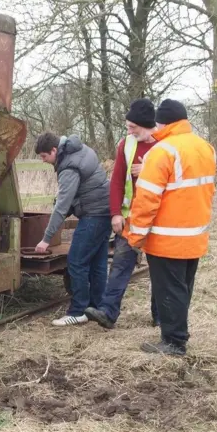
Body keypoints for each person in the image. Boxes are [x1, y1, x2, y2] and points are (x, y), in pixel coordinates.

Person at [125, 99, 216, 356]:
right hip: (195, 236)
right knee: (183, 288)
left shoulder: (162, 151)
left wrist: (136, 236)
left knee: (169, 289)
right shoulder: (205, 147)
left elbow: (147, 199)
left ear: (162, 123)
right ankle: (179, 333)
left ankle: (173, 342)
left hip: (167, 239)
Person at [85, 99, 161, 329]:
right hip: (131, 219)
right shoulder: (126, 145)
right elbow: (117, 181)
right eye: (127, 127)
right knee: (119, 264)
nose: (129, 131)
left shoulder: (165, 145)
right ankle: (108, 312)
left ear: (146, 125)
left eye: (132, 127)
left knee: (159, 268)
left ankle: (160, 315)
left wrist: (148, 170)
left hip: (159, 219)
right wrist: (116, 213)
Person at [34, 132, 111, 326]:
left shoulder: (68, 166)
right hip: (106, 211)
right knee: (97, 263)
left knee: (76, 261)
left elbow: (62, 205)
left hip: (93, 214)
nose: (44, 161)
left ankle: (78, 311)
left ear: (54, 150)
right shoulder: (79, 149)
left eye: (44, 156)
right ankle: (97, 307)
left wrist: (46, 238)